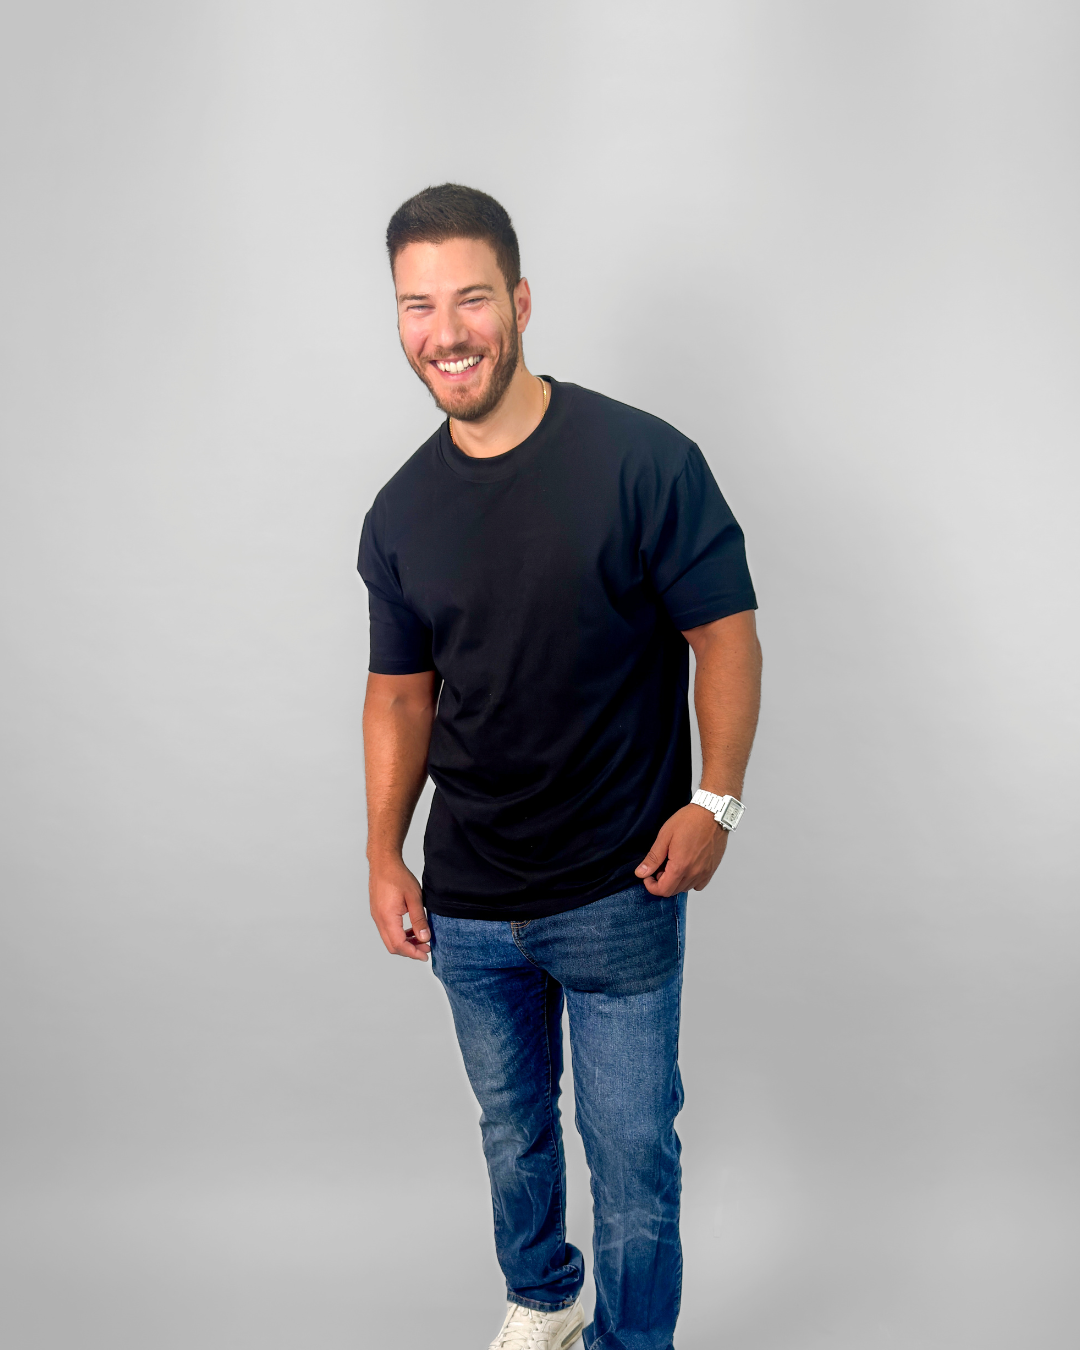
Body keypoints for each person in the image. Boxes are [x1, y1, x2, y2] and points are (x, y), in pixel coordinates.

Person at [358, 183, 761, 1350]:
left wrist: (716, 802)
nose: (447, 331)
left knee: (633, 1150)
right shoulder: (398, 513)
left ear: (520, 302)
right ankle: (541, 1300)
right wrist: (382, 849)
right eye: (417, 306)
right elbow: (400, 694)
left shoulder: (643, 460)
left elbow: (726, 636)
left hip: (617, 884)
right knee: (512, 1131)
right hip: (472, 901)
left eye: (471, 298)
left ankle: (631, 1345)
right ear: (398, 322)